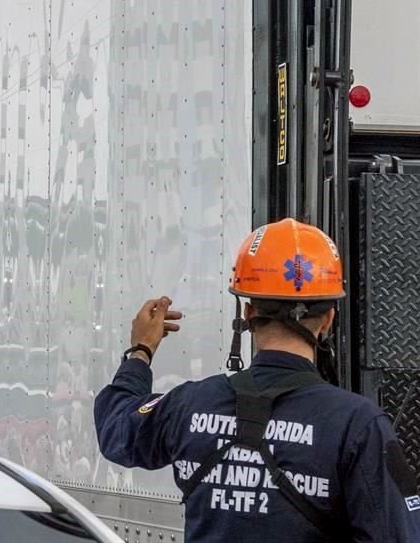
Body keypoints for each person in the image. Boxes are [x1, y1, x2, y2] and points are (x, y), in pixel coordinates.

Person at [94, 218, 420, 542]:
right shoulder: (357, 425)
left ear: (248, 315)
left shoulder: (188, 405)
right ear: (329, 319)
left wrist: (141, 350)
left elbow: (116, 430)